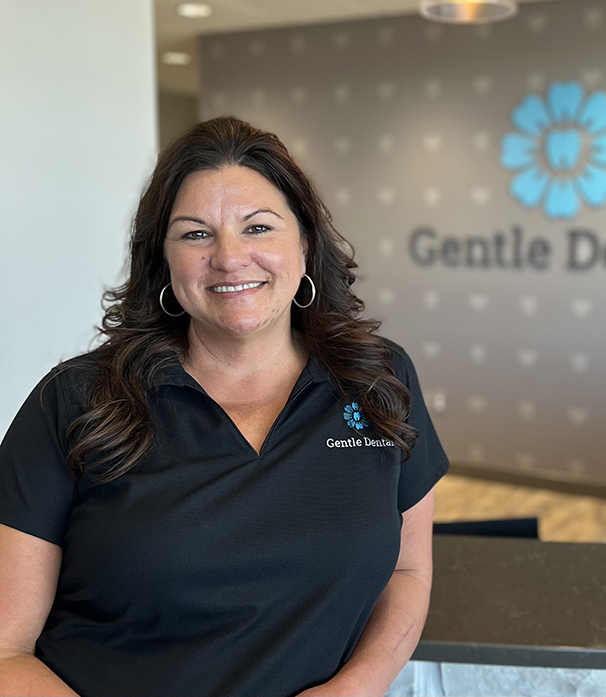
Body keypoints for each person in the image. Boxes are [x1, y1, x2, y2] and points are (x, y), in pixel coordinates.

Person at [0, 117, 448, 697]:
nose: (230, 258)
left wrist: (355, 688)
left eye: (258, 227)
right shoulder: (77, 401)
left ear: (305, 244)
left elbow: (409, 572)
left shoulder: (377, 379)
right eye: (195, 234)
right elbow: (6, 649)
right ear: (162, 260)